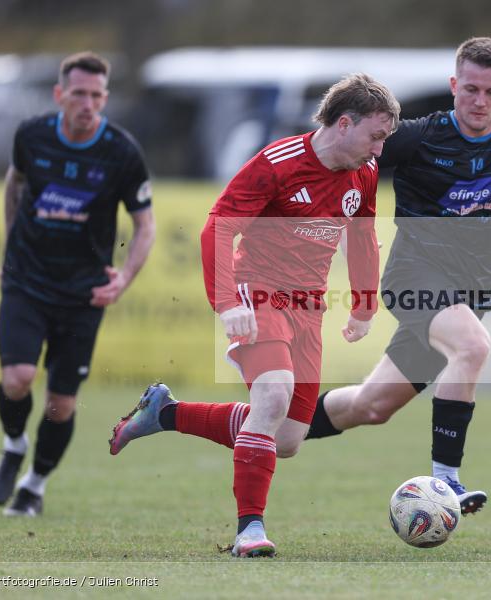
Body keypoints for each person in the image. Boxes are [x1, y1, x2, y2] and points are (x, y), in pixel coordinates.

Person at [109, 73, 399, 558]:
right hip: (258, 292)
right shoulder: (277, 163)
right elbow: (217, 230)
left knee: (286, 438)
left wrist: (365, 305)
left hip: (307, 308)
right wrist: (228, 303)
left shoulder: (363, 174)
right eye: (377, 135)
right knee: (273, 393)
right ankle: (249, 530)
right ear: (344, 123)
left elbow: (363, 236)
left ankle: (166, 413)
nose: (380, 150)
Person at [303, 37, 491, 515]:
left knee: (370, 407)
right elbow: (343, 155)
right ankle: (447, 482)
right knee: (474, 346)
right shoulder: (416, 137)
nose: (479, 101)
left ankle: (262, 426)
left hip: (469, 297)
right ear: (453, 85)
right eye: (470, 89)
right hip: (413, 276)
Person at [0, 52, 156, 517]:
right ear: (60, 94)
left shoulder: (121, 152)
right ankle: (14, 443)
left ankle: (34, 486)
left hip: (83, 293)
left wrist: (123, 278)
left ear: (105, 98)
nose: (88, 103)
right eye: (78, 93)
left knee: (61, 404)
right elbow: (14, 183)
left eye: (97, 95)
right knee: (17, 379)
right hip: (26, 279)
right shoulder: (32, 135)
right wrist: (9, 248)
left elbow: (145, 226)